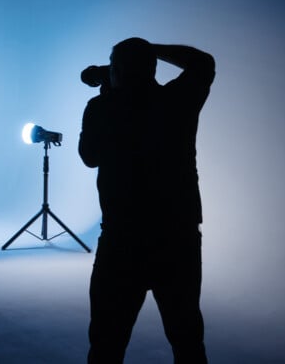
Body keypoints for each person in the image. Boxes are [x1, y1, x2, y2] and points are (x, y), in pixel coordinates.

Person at [78, 38, 215, 363]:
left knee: (106, 344)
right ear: (151, 67)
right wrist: (148, 49)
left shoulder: (102, 108)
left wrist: (109, 89)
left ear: (118, 72)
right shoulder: (177, 102)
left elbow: (89, 156)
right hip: (177, 240)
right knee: (187, 341)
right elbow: (203, 63)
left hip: (122, 241)